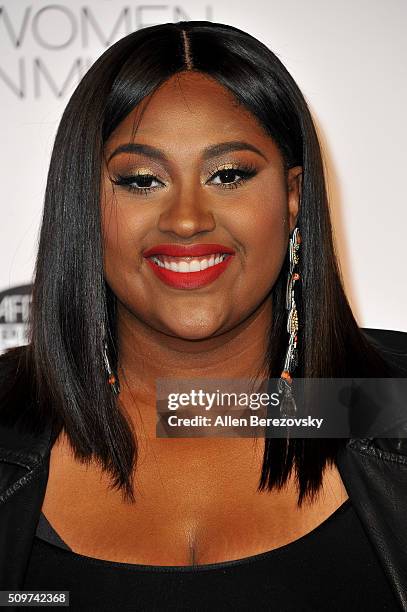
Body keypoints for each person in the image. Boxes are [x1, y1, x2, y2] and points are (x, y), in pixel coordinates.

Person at [0, 20, 406, 611]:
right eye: (141, 180)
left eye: (229, 175)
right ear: (83, 201)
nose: (187, 219)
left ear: (293, 197)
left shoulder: (387, 407)